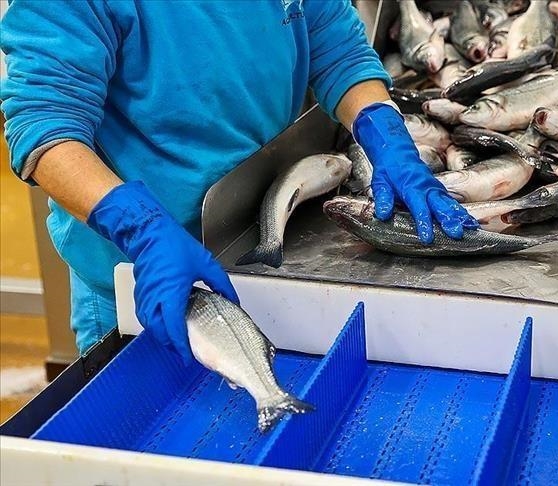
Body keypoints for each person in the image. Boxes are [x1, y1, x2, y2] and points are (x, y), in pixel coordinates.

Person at [1, 0, 478, 363]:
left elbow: (338, 50)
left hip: (266, 250)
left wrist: (383, 129)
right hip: (142, 279)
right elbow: (45, 126)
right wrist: (140, 229)